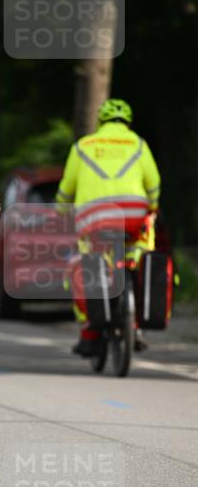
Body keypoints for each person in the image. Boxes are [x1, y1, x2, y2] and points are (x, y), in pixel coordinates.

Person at [55, 98, 161, 357]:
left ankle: (89, 334)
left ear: (100, 122)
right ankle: (135, 310)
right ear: (128, 122)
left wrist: (61, 210)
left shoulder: (83, 146)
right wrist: (153, 207)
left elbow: (66, 189)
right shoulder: (138, 143)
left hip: (95, 217)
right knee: (141, 246)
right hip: (135, 213)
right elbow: (154, 182)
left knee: (86, 265)